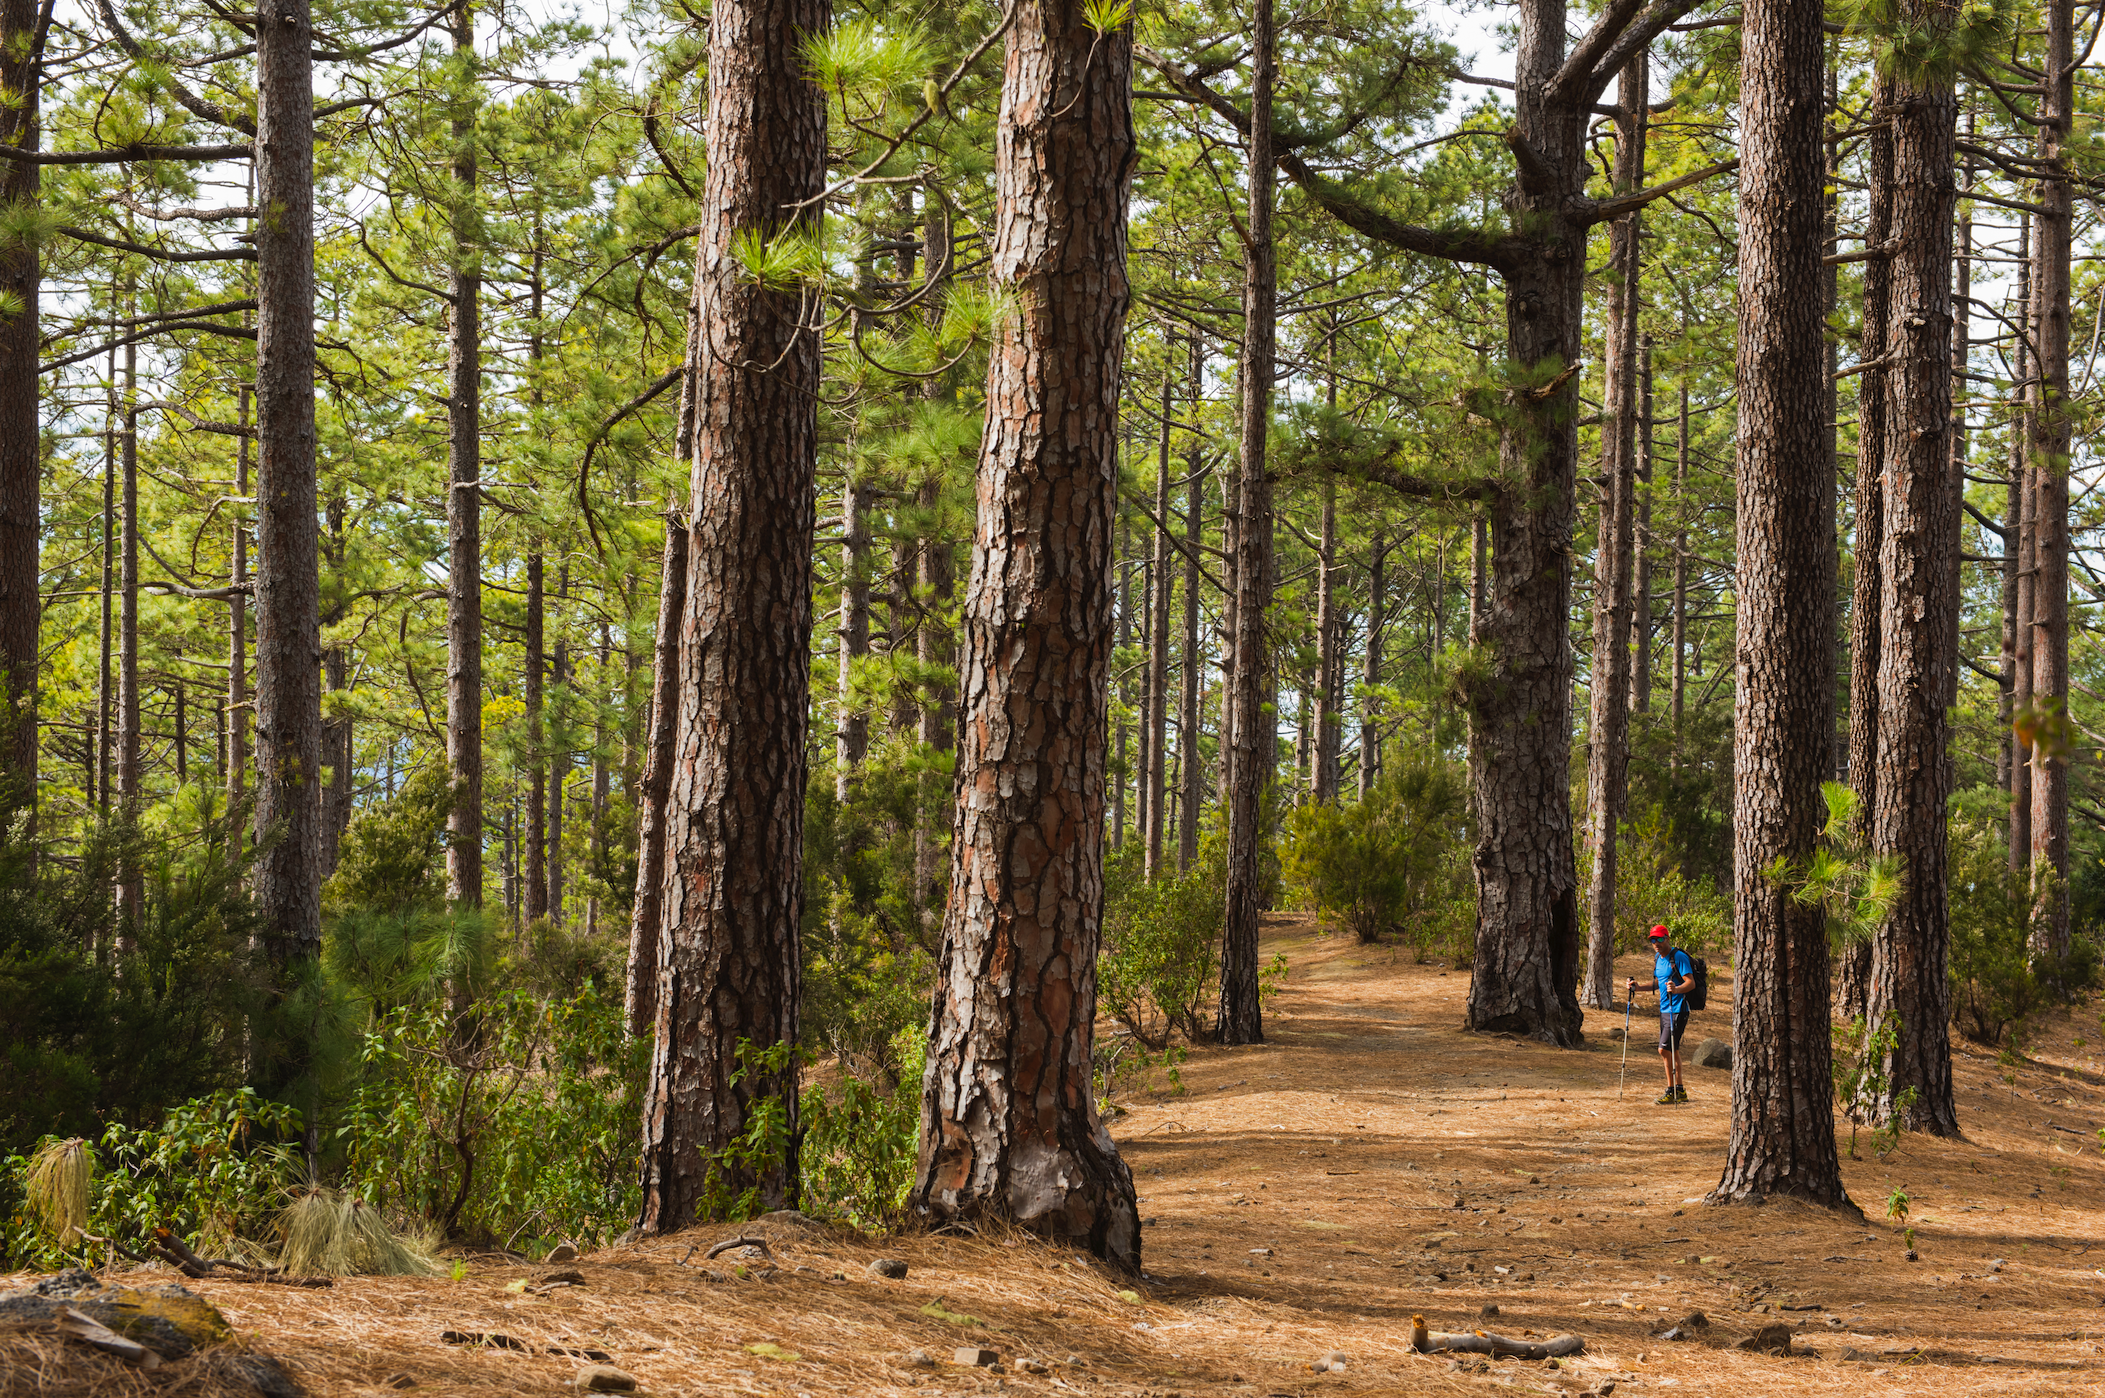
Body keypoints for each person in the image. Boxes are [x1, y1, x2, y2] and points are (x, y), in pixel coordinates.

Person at [1628, 924, 1695, 1105]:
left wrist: (1677, 988)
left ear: (1667, 938)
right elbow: (1659, 982)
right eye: (1652, 940)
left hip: (1678, 1009)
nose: (1656, 943)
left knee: (1663, 1050)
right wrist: (1639, 987)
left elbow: (1691, 983)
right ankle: (1679, 1091)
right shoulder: (1659, 958)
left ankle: (1671, 1091)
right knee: (1672, 1051)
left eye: (1659, 939)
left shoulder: (1678, 957)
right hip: (1665, 1009)